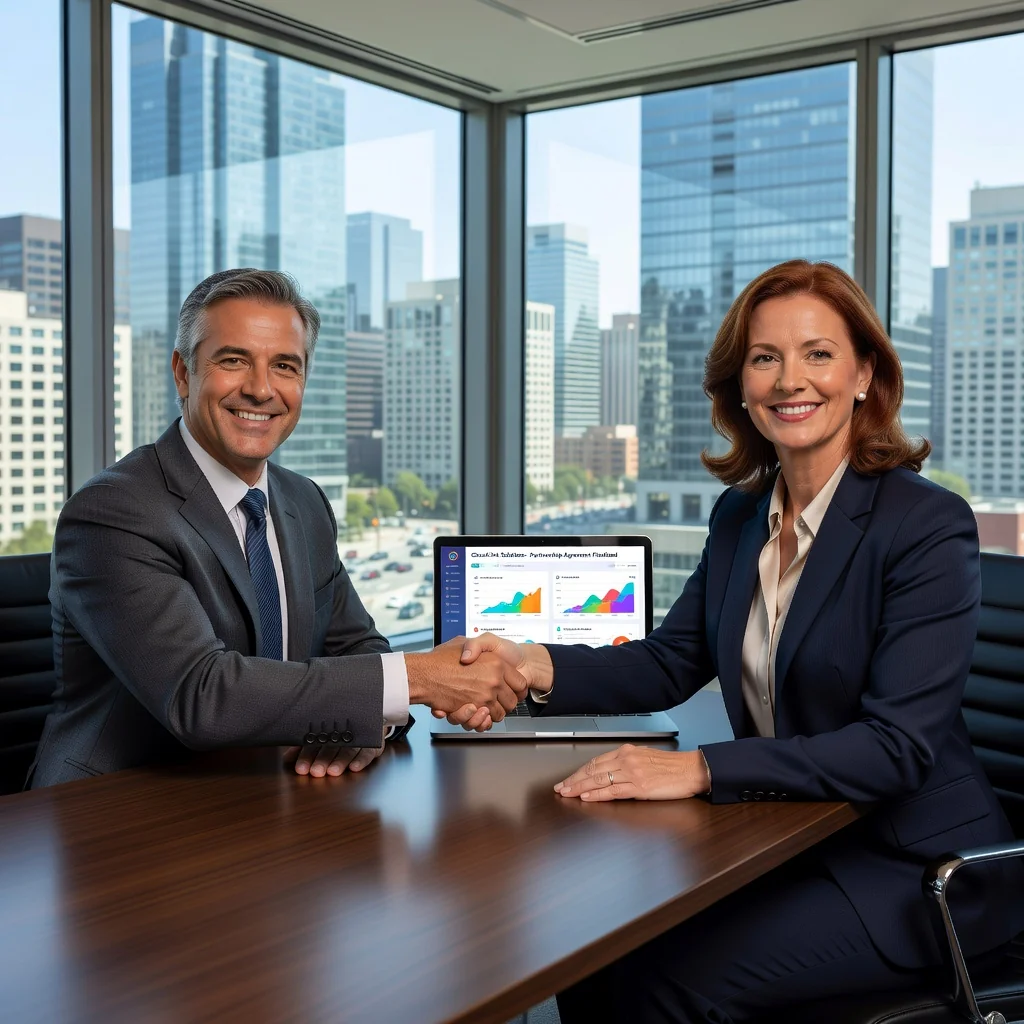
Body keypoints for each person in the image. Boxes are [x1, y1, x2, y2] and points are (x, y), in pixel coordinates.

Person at [452, 260, 1024, 1022]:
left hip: (917, 868)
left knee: (664, 987)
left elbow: (895, 748)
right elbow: (669, 661)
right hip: (793, 839)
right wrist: (536, 665)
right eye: (766, 357)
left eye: (818, 354)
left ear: (864, 376)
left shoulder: (922, 525)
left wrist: (696, 768)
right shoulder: (740, 517)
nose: (791, 380)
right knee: (590, 952)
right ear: (742, 387)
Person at [30, 268, 523, 789]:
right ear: (183, 373)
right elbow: (202, 696)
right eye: (233, 360)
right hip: (118, 812)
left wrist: (362, 721)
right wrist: (422, 679)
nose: (261, 388)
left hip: (267, 797)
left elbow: (360, 647)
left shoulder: (302, 501)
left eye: (284, 366)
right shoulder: (114, 510)